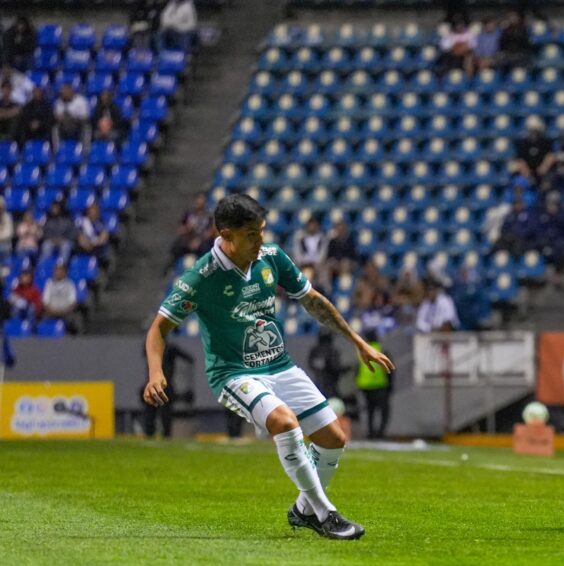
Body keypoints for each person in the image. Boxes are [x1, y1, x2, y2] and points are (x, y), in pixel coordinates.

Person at [143, 193, 395, 540]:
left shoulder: (271, 257)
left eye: (261, 231)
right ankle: (327, 515)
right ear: (226, 235)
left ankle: (303, 511)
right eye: (251, 234)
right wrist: (156, 372)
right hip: (234, 374)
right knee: (283, 422)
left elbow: (313, 302)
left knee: (334, 438)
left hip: (280, 366)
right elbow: (159, 327)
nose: (260, 241)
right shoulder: (202, 276)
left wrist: (357, 341)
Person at [140, 339, 194, 439]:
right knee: (162, 411)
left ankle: (151, 434)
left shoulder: (154, 347)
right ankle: (163, 434)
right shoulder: (170, 348)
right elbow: (188, 358)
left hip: (155, 383)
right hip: (164, 384)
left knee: (155, 411)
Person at [356, 329, 392, 439]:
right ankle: (380, 433)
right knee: (383, 411)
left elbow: (358, 369)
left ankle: (370, 433)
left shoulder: (362, 351)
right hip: (380, 385)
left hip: (365, 385)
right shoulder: (381, 350)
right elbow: (389, 368)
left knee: (370, 411)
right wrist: (390, 384)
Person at [41, 262, 80, 333]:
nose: (59, 272)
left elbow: (73, 302)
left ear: (65, 272)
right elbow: (45, 301)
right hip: (51, 312)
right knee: (43, 321)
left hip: (66, 312)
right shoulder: (49, 283)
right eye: (57, 270)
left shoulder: (70, 284)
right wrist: (52, 311)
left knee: (72, 321)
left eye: (61, 270)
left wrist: (64, 311)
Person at [307, 331, 346, 401]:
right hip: (330, 385)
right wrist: (344, 370)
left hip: (318, 383)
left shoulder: (315, 350)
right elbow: (335, 367)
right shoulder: (331, 350)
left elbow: (311, 365)